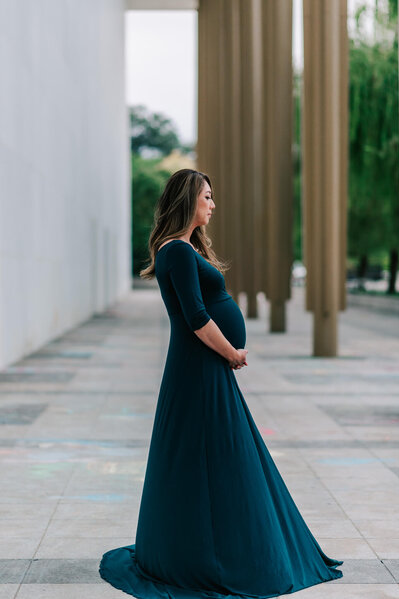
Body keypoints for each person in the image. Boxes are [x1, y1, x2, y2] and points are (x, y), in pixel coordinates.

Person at [99, 168, 343, 598]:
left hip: (203, 368)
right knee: (210, 459)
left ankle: (216, 547)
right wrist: (231, 352)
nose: (213, 204)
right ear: (188, 199)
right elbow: (195, 316)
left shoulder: (185, 248)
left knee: (217, 458)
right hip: (200, 367)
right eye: (207, 196)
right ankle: (208, 556)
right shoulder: (175, 250)